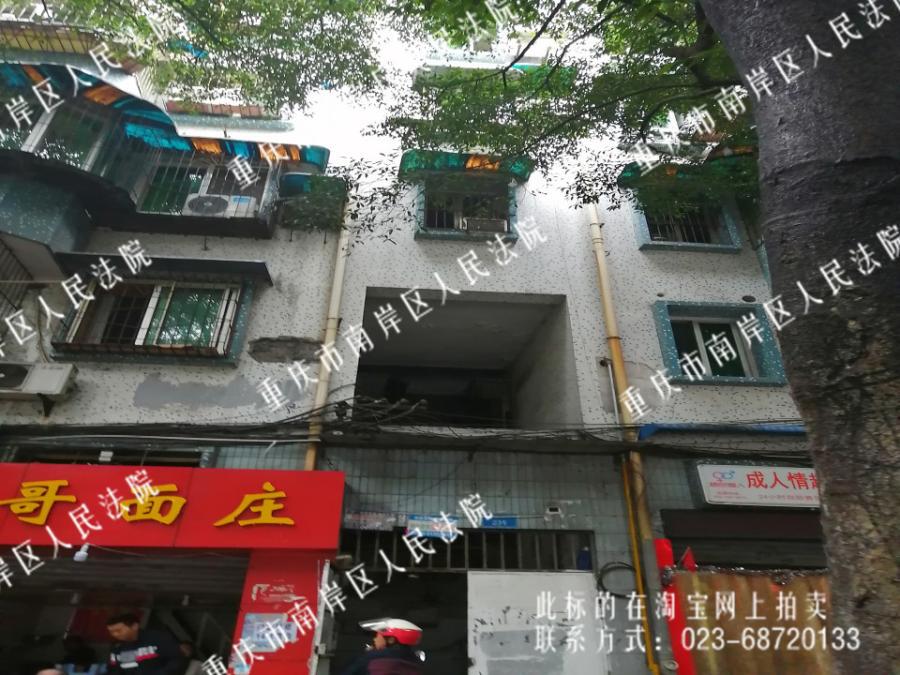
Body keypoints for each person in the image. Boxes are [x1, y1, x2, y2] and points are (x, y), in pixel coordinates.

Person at [105, 613, 185, 675]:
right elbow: (113, 669)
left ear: (134, 626)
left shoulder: (157, 638)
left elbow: (176, 660)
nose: (115, 634)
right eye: (111, 632)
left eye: (118, 630)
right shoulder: (117, 647)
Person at [340, 618, 424, 675]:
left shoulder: (371, 659)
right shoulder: (414, 663)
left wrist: (365, 655)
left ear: (391, 640)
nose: (374, 639)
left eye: (377, 636)